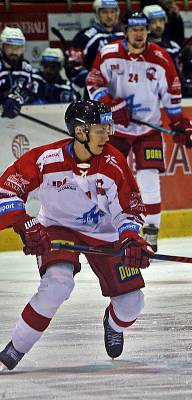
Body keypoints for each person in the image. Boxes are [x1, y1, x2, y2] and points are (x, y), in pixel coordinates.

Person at [0, 100, 152, 371]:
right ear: (80, 132)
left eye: (108, 127)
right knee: (57, 284)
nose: (107, 135)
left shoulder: (114, 163)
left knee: (132, 304)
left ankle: (112, 323)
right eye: (100, 129)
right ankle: (15, 349)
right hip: (59, 228)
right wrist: (25, 224)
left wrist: (130, 237)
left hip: (104, 233)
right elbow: (6, 192)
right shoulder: (46, 159)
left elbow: (129, 209)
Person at [86, 10, 192, 252]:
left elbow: (172, 97)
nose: (138, 34)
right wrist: (110, 105)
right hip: (114, 129)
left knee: (149, 180)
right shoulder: (108, 54)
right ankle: (106, 231)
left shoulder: (161, 58)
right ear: (126, 31)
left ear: (148, 31)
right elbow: (93, 82)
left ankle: (152, 233)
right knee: (107, 181)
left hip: (148, 129)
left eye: (142, 29)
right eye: (133, 29)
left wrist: (179, 123)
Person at [68, 0, 125, 89]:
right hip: (96, 89)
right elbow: (73, 65)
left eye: (112, 12)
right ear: (96, 14)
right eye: (104, 12)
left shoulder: (124, 35)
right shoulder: (85, 37)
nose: (109, 16)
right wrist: (88, 78)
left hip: (122, 87)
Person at [0, 27, 35, 119]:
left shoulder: (26, 68)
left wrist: (22, 97)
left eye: (18, 48)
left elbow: (30, 93)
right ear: (2, 46)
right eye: (10, 47)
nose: (14, 52)